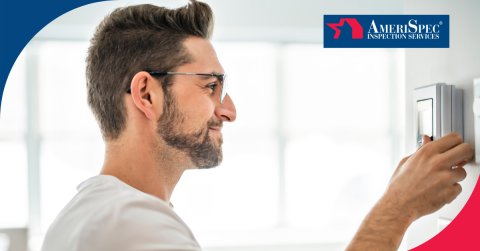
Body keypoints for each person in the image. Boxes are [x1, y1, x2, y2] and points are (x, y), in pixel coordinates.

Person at [41, 1, 474, 250]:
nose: (228, 110)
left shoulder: (88, 217)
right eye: (210, 86)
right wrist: (395, 211)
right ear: (147, 94)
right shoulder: (129, 224)